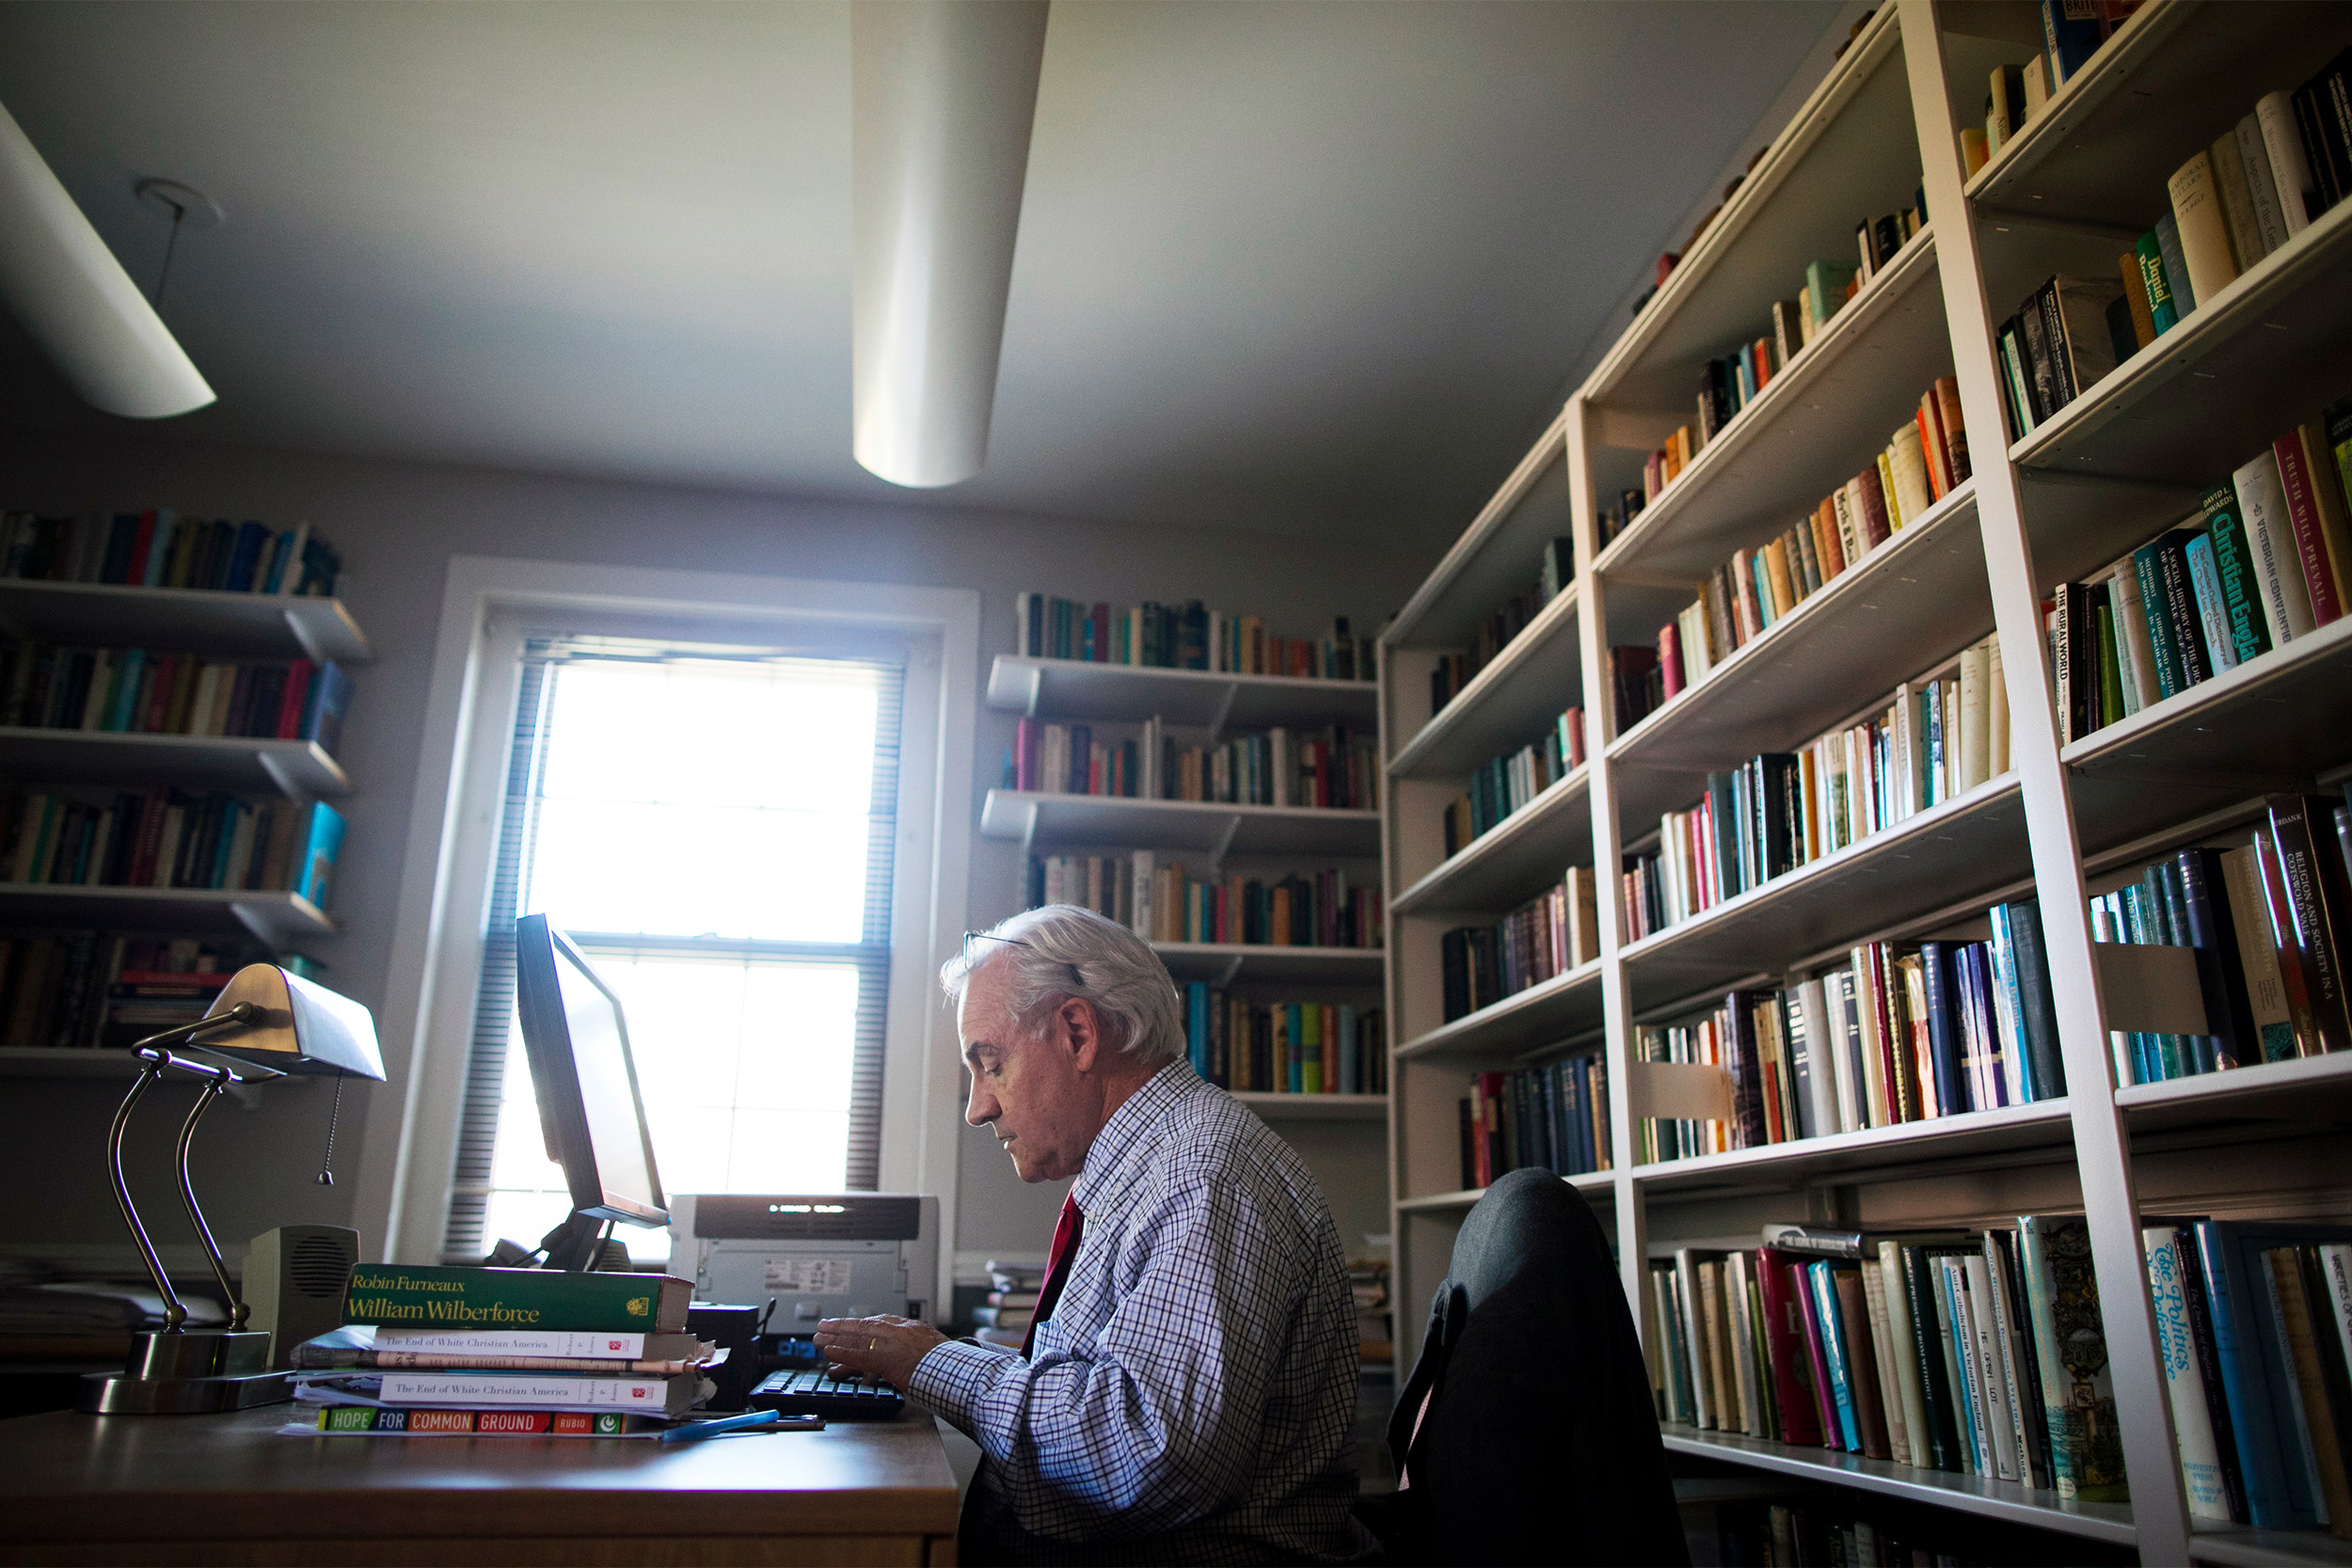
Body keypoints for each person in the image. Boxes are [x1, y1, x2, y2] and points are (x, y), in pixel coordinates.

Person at [814, 905, 1371, 1566]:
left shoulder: (1200, 1176)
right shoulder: (1147, 1166)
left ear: (1078, 1031)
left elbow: (1146, 1451)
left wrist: (929, 1361)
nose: (976, 1106)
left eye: (989, 1063)